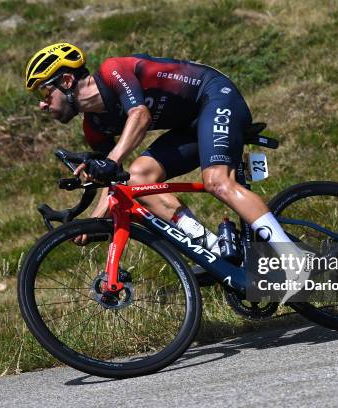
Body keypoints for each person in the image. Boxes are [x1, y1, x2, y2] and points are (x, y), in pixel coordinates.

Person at [25, 42, 308, 285]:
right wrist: (93, 223)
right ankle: (214, 252)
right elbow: (113, 181)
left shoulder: (114, 71)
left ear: (66, 82)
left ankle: (295, 259)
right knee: (137, 178)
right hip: (189, 127)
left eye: (43, 93)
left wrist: (111, 161)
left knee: (217, 181)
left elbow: (140, 115)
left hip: (214, 97)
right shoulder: (94, 127)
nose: (42, 104)